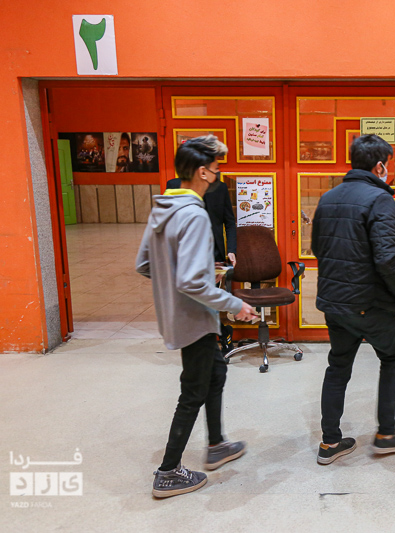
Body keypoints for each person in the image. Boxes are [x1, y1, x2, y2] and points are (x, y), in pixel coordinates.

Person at [136, 135, 257, 498]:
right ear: (202, 172)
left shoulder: (163, 208)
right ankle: (168, 472)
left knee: (216, 372)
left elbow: (145, 264)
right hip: (194, 318)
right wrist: (234, 304)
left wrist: (199, 273)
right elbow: (190, 281)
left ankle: (217, 444)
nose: (218, 176)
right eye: (216, 169)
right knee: (193, 392)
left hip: (179, 313)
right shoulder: (194, 214)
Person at [311, 134, 395, 465]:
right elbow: (387, 258)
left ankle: (330, 442)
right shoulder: (379, 199)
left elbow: (317, 247)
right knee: (392, 358)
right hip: (370, 303)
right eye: (389, 164)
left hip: (335, 302)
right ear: (380, 166)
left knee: (338, 365)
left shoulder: (328, 197)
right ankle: (386, 434)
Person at [166, 152, 238, 354]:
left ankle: (210, 345)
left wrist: (231, 250)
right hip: (184, 256)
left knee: (207, 303)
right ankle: (219, 334)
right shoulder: (173, 186)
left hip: (213, 256)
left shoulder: (220, 188)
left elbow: (229, 222)